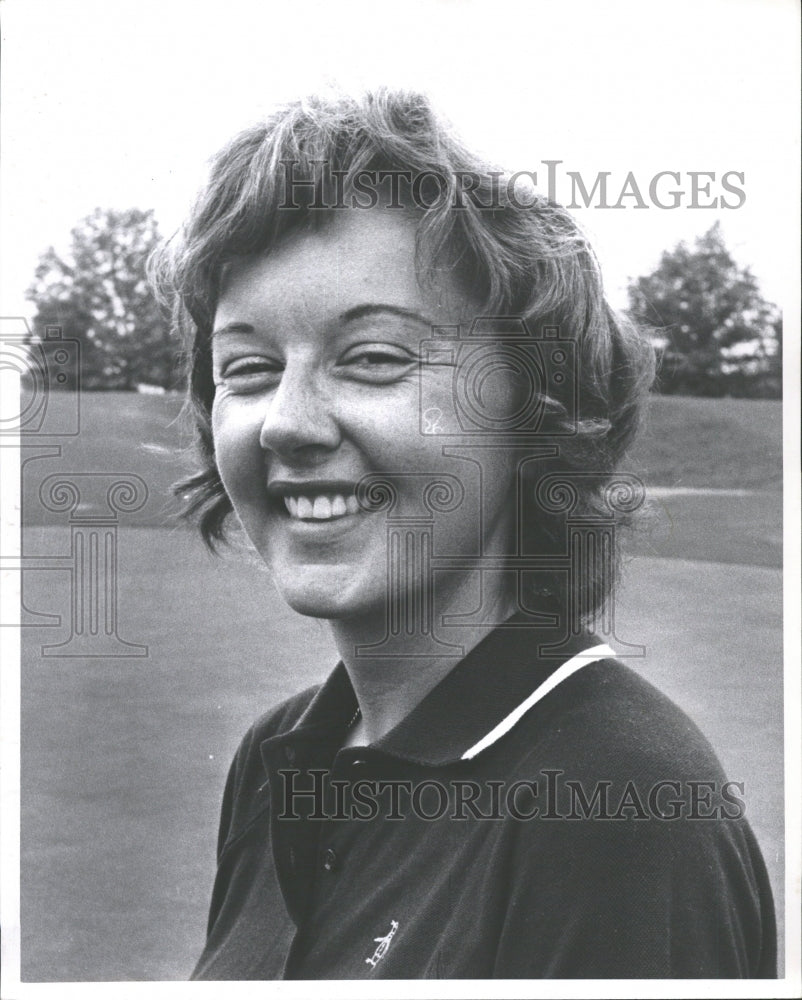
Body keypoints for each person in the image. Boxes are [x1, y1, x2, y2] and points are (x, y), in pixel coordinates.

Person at [150, 90, 776, 980]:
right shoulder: (277, 756)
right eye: (246, 369)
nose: (284, 424)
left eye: (372, 358)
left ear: (531, 409)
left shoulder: (619, 813)